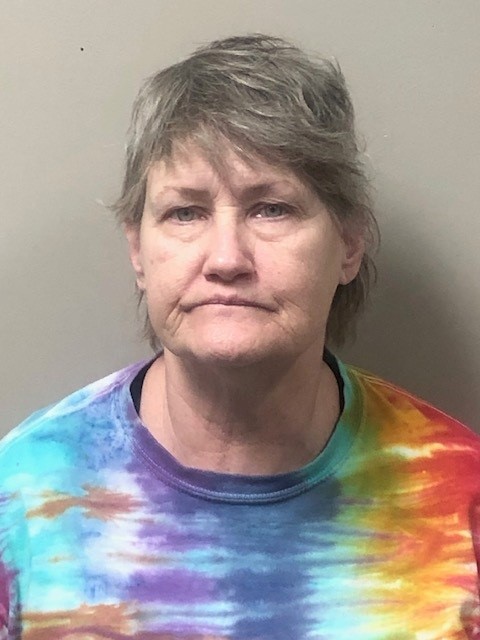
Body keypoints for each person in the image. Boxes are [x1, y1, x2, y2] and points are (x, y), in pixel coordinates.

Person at [1, 33, 479, 640]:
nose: (226, 258)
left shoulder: (460, 495)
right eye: (186, 212)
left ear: (349, 244)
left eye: (271, 208)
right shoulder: (22, 497)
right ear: (138, 251)